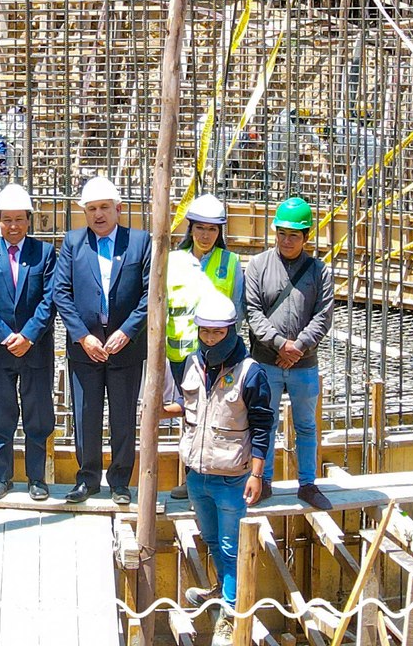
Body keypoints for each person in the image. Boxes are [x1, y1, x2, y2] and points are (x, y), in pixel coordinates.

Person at [165, 290, 272, 644]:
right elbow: (197, 407)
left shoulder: (249, 372)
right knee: (211, 539)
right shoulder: (192, 362)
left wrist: (257, 473)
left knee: (230, 546)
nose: (211, 338)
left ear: (231, 330)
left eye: (218, 332)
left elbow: (261, 425)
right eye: (205, 331)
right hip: (198, 475)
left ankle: (230, 611)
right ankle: (222, 591)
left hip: (232, 477)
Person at [55, 174, 153, 505]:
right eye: (92, 209)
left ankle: (121, 481)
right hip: (87, 349)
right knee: (86, 414)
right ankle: (88, 478)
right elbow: (61, 292)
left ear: (118, 209)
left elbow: (150, 293)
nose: (98, 215)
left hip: (125, 347)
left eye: (105, 208)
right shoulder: (73, 242)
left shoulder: (140, 242)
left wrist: (128, 331)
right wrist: (82, 337)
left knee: (123, 416)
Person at [244, 196, 335, 510]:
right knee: (263, 423)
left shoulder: (319, 271)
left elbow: (323, 315)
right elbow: (253, 312)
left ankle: (307, 484)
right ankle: (264, 480)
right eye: (282, 233)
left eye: (293, 234)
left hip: (304, 364)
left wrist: (299, 346)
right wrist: (281, 344)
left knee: (306, 425)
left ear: (306, 236)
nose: (286, 240)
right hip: (266, 363)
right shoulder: (257, 266)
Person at [0, 183, 57, 501]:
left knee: (38, 416)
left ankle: (36, 478)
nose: (14, 226)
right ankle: (1, 477)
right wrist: (7, 337)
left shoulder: (44, 253)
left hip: (35, 351)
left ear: (29, 220)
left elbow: (50, 300)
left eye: (20, 219)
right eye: (7, 219)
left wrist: (29, 336)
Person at [164, 193, 242, 499]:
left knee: (215, 419)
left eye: (212, 229)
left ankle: (209, 479)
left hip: (216, 355)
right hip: (180, 355)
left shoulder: (231, 263)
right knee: (188, 419)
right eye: (200, 228)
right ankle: (190, 480)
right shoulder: (173, 261)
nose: (206, 235)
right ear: (191, 228)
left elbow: (238, 309)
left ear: (220, 231)